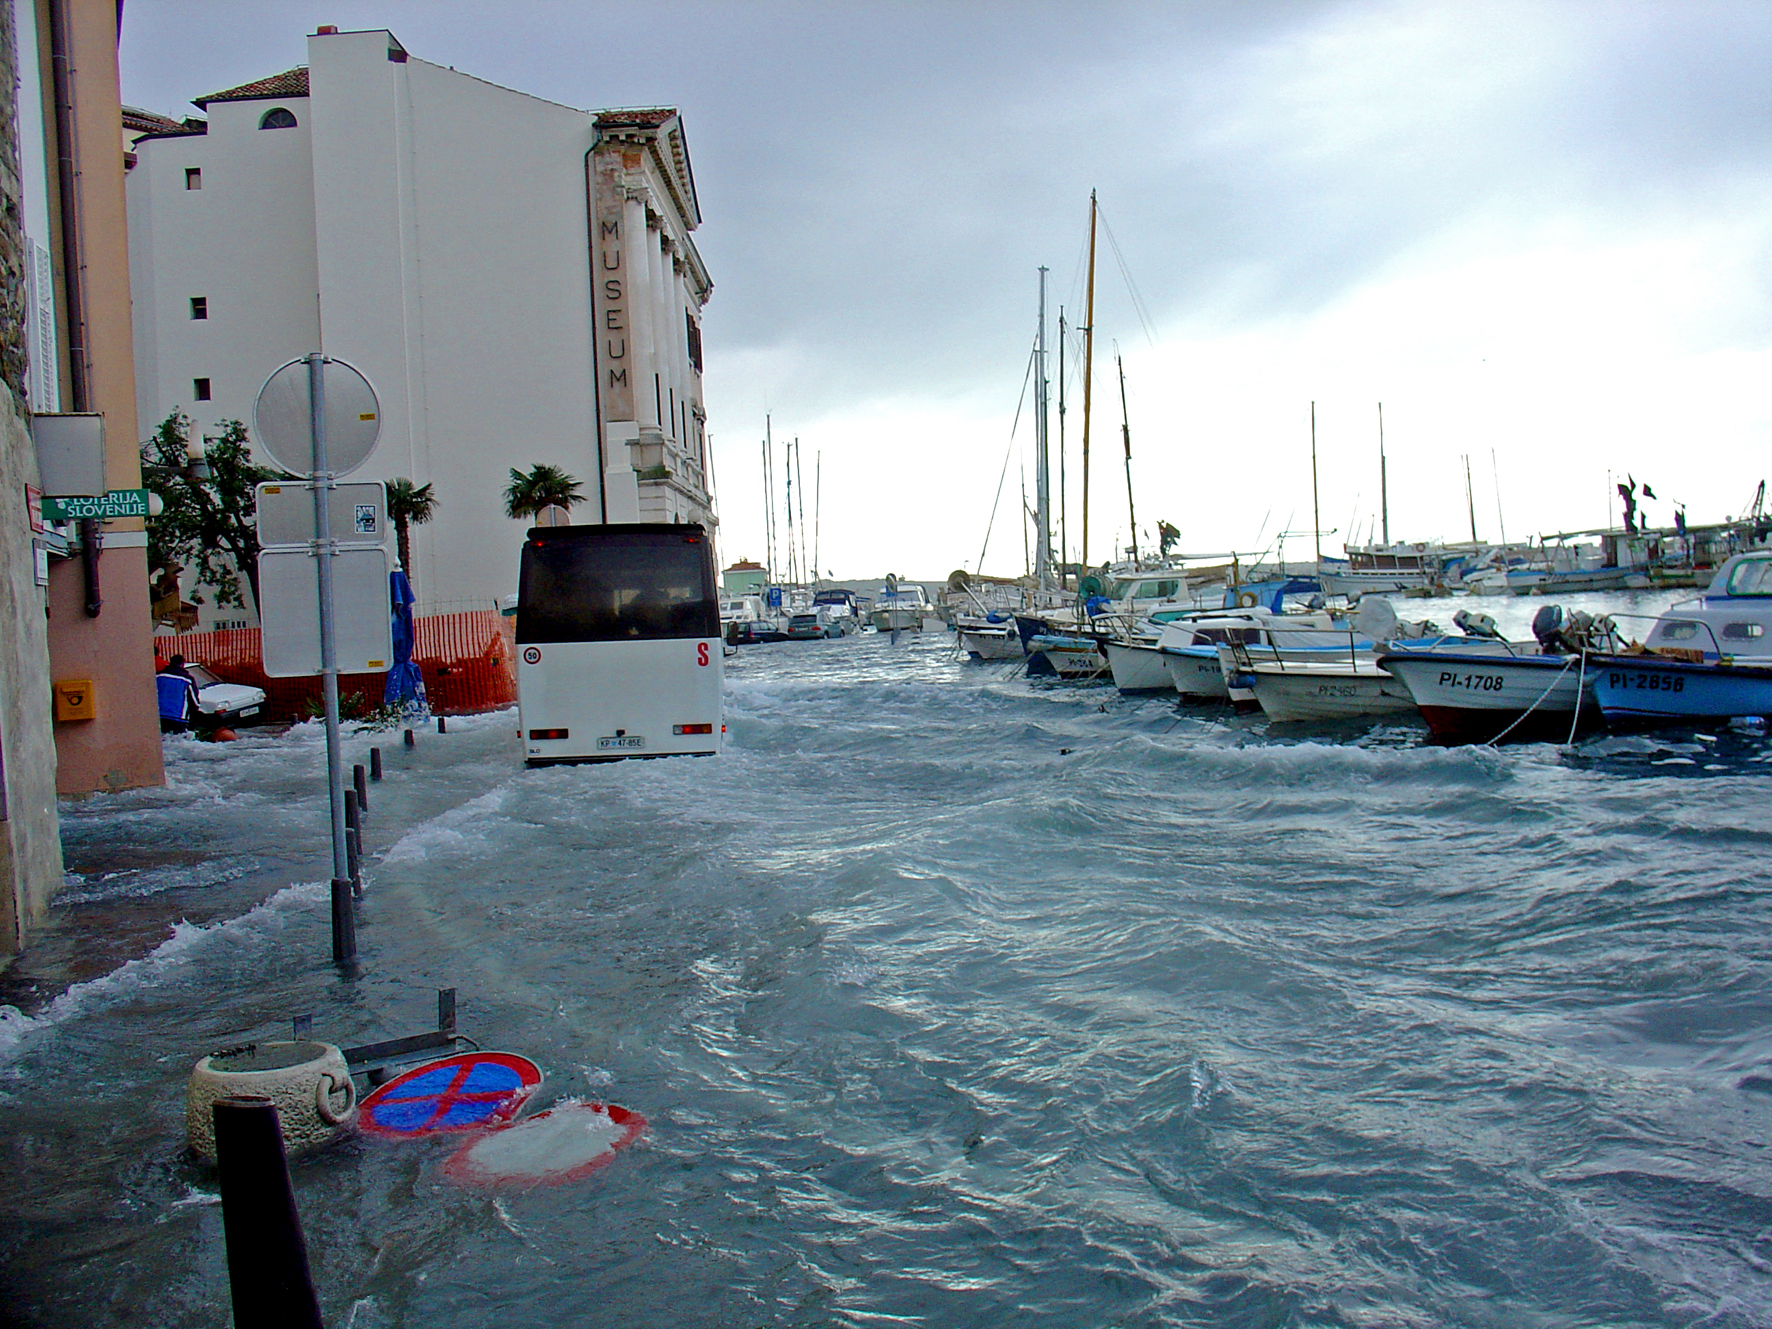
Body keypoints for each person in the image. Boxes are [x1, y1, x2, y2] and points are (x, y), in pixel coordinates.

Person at [156, 655, 201, 734]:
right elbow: (195, 702)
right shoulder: (187, 679)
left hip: (159, 715)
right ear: (182, 664)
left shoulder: (158, 676)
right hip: (178, 717)